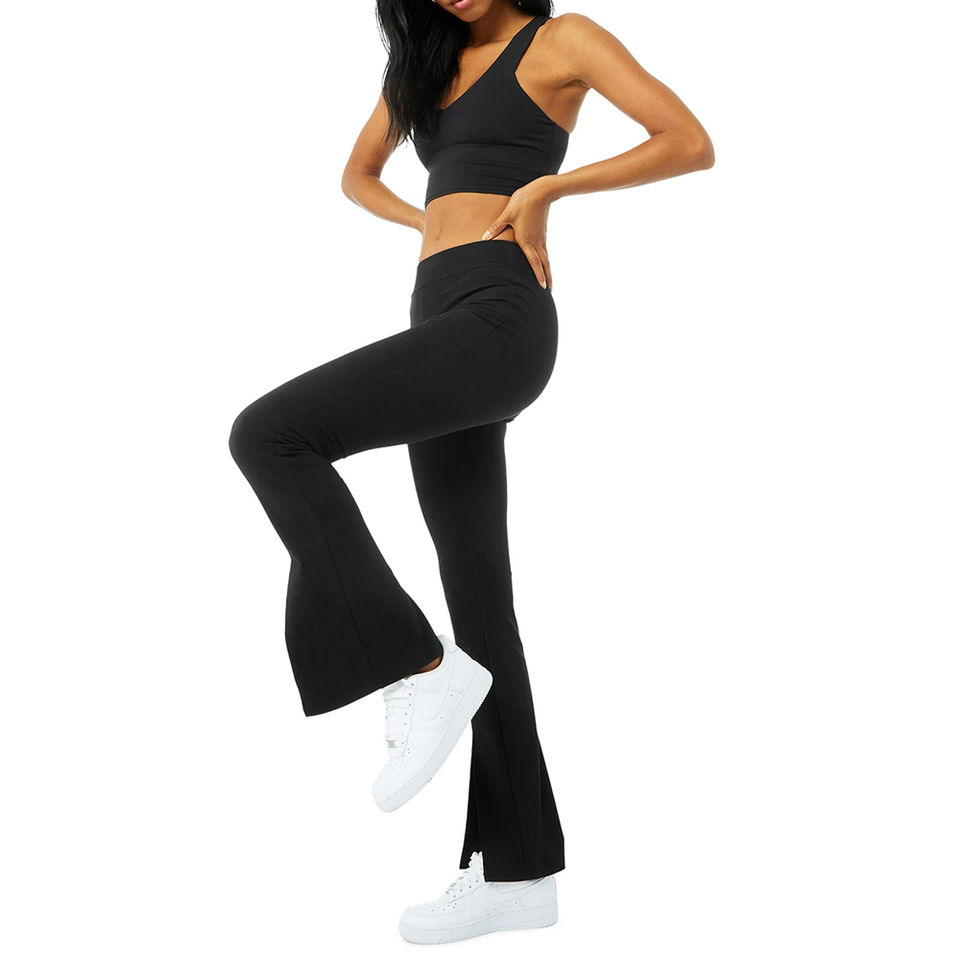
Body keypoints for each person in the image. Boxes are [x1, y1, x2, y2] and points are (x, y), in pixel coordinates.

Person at [228, 0, 713, 944]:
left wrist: (549, 191)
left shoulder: (561, 39)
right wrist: (428, 219)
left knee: (270, 434)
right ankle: (519, 874)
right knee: (482, 610)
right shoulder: (425, 65)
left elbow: (688, 142)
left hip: (500, 315)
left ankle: (412, 661)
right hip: (438, 310)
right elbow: (356, 174)